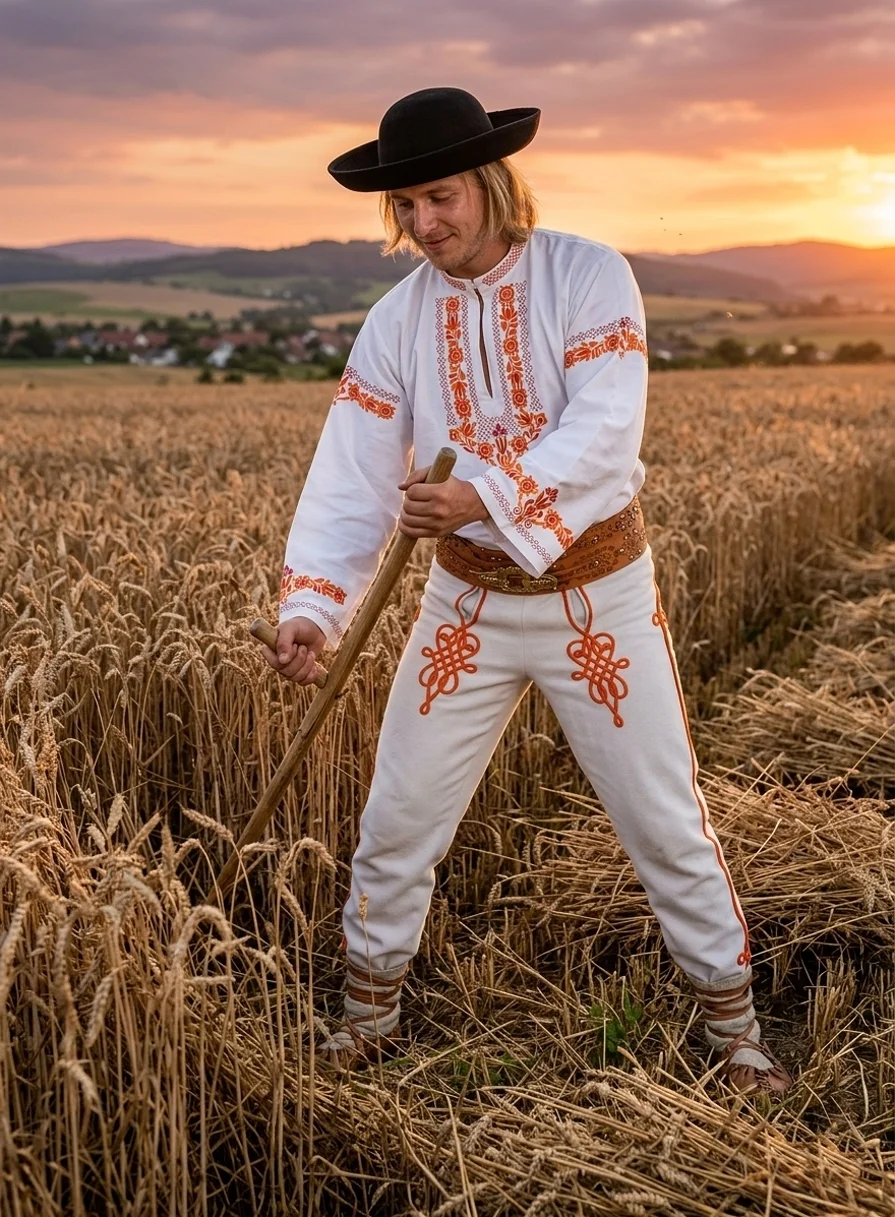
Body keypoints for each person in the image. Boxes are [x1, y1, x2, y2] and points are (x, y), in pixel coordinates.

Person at [265, 87, 792, 1094]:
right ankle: (366, 1015)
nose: (426, 222)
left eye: (442, 195)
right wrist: (312, 607)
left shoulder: (588, 277)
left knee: (661, 817)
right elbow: (351, 474)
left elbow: (604, 432)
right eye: (407, 205)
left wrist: (481, 492)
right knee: (397, 817)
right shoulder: (395, 320)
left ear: (493, 182)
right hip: (461, 606)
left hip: (594, 599)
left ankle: (737, 1029)